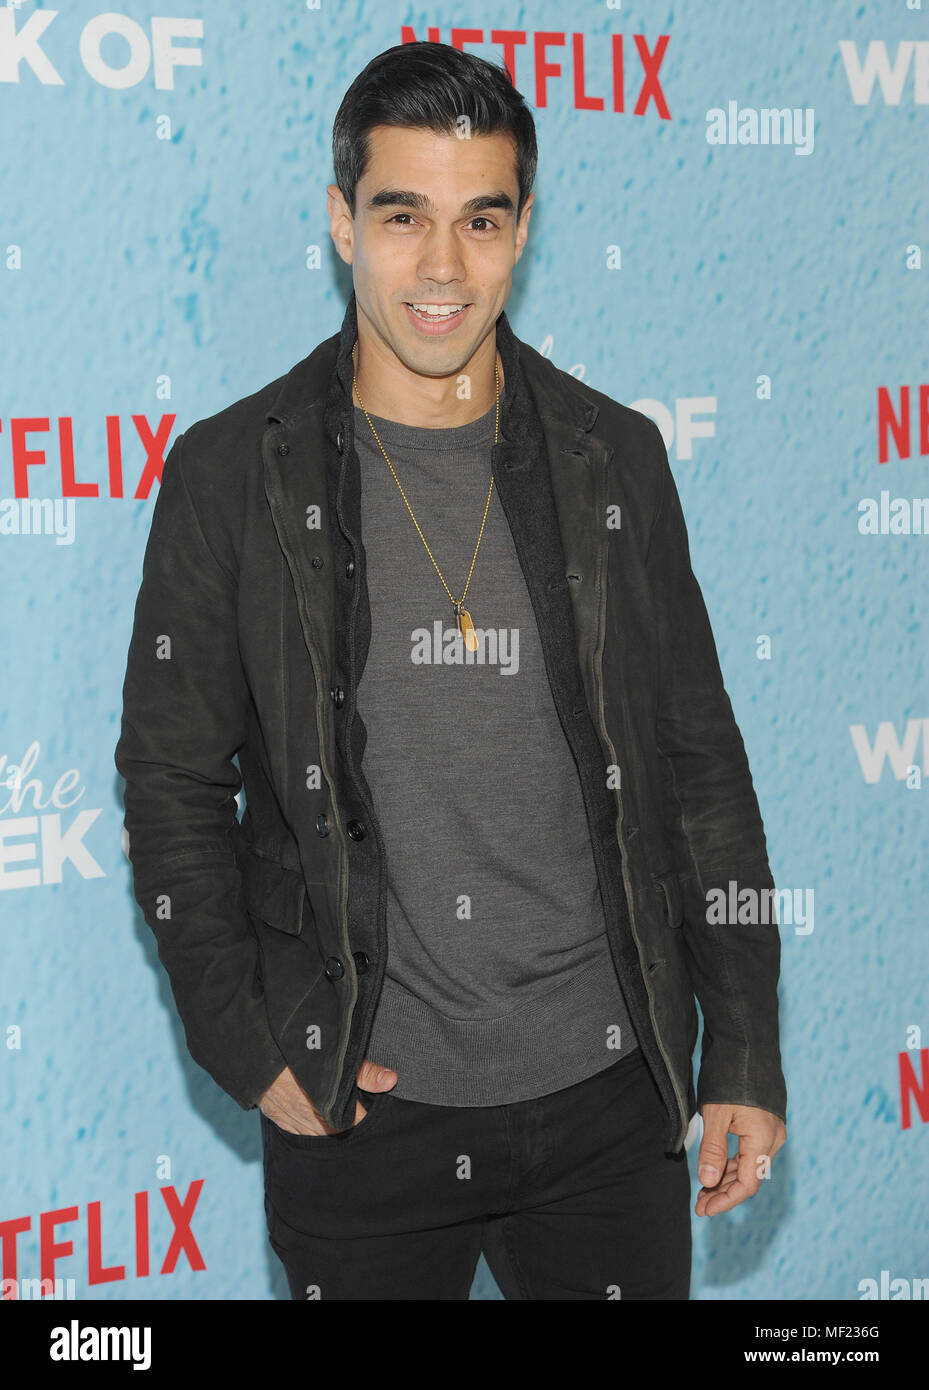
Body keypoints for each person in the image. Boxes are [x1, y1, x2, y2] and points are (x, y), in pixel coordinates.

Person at [115, 40, 787, 1301]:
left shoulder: (614, 461)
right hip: (365, 1117)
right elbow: (169, 786)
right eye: (401, 215)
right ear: (338, 223)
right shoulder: (228, 477)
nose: (441, 267)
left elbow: (698, 764)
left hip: (607, 1102)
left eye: (479, 219)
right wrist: (250, 1040)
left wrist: (740, 1044)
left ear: (523, 229)